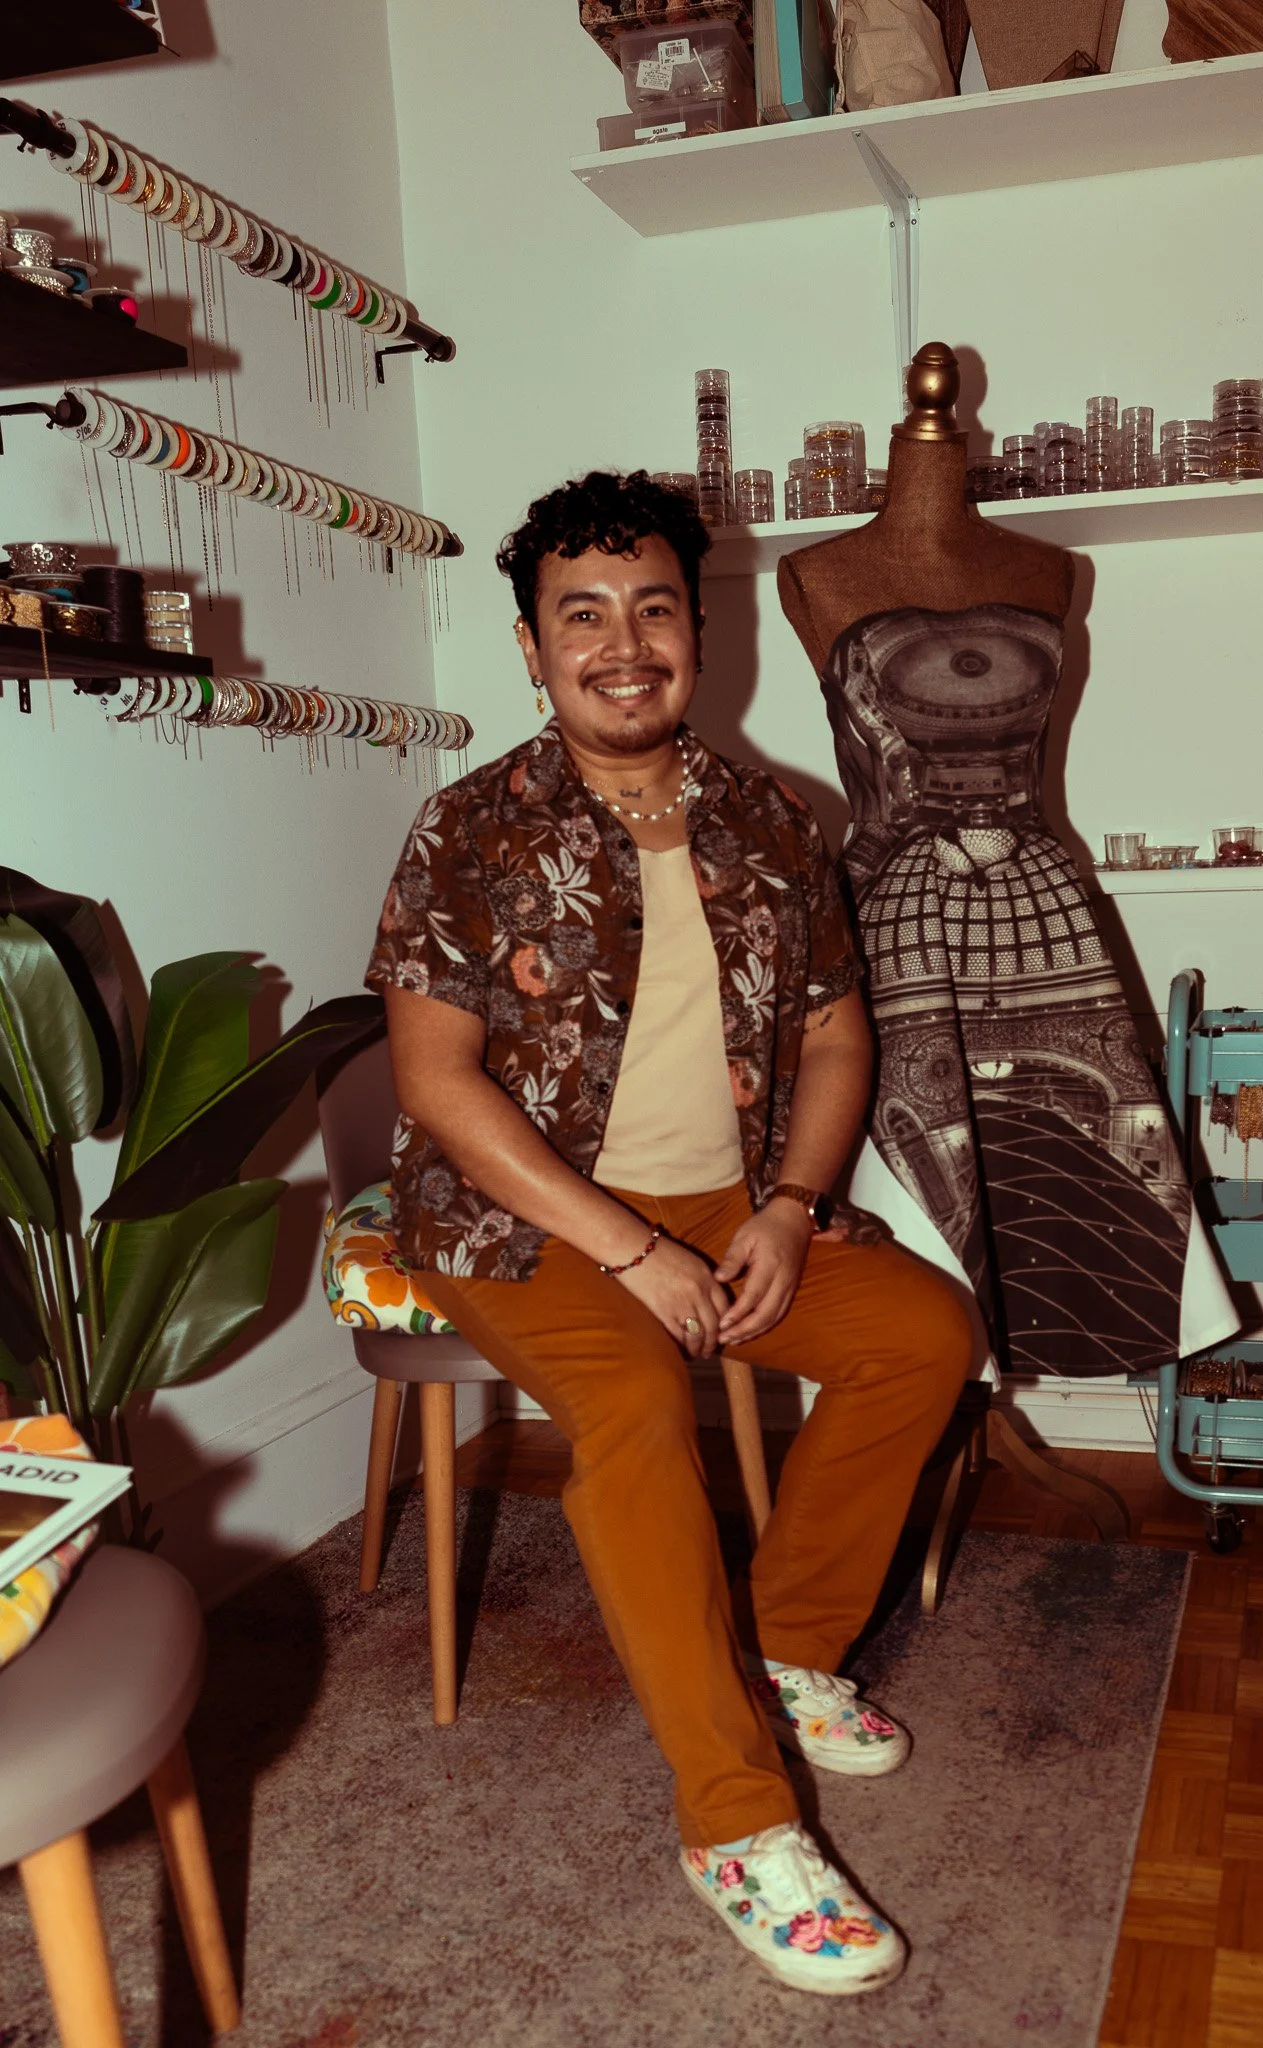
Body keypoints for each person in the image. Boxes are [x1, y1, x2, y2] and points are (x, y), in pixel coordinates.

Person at [366, 470, 971, 1996]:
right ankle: (736, 1821)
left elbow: (834, 1037)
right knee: (635, 1408)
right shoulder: (466, 828)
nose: (622, 645)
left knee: (922, 1336)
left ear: (697, 631)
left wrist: (787, 1209)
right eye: (581, 617)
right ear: (530, 649)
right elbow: (434, 1082)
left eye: (652, 609)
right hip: (522, 1221)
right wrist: (634, 1253)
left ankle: (786, 1647)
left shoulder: (774, 819)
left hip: (726, 1205)